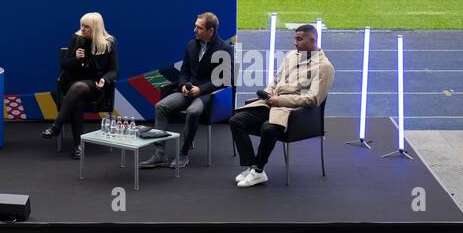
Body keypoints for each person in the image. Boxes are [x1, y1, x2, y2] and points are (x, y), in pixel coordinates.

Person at [230, 24, 334, 187]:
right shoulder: (292, 55)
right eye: (295, 38)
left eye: (299, 39)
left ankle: (258, 170)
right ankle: (252, 166)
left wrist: (280, 101)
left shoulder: (324, 67)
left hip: (293, 113)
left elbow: (313, 99)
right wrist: (267, 93)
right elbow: (276, 80)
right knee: (237, 120)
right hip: (272, 104)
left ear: (312, 40)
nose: (295, 43)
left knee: (268, 128)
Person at [141, 11, 234, 170]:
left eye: (199, 28)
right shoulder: (191, 45)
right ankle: (159, 154)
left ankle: (183, 153)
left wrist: (200, 89)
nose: (194, 30)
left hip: (208, 94)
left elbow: (224, 80)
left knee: (193, 111)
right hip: (188, 90)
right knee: (160, 106)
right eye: (195, 26)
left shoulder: (224, 49)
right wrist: (183, 85)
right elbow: (183, 72)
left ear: (210, 31)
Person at [41, 12, 118, 159]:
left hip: (95, 86)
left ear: (95, 28)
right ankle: (78, 146)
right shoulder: (76, 38)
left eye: (86, 27)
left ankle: (56, 127)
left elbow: (114, 71)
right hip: (73, 83)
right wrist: (76, 58)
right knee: (77, 98)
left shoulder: (109, 43)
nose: (82, 29)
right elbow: (64, 65)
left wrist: (105, 79)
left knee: (78, 88)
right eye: (81, 25)